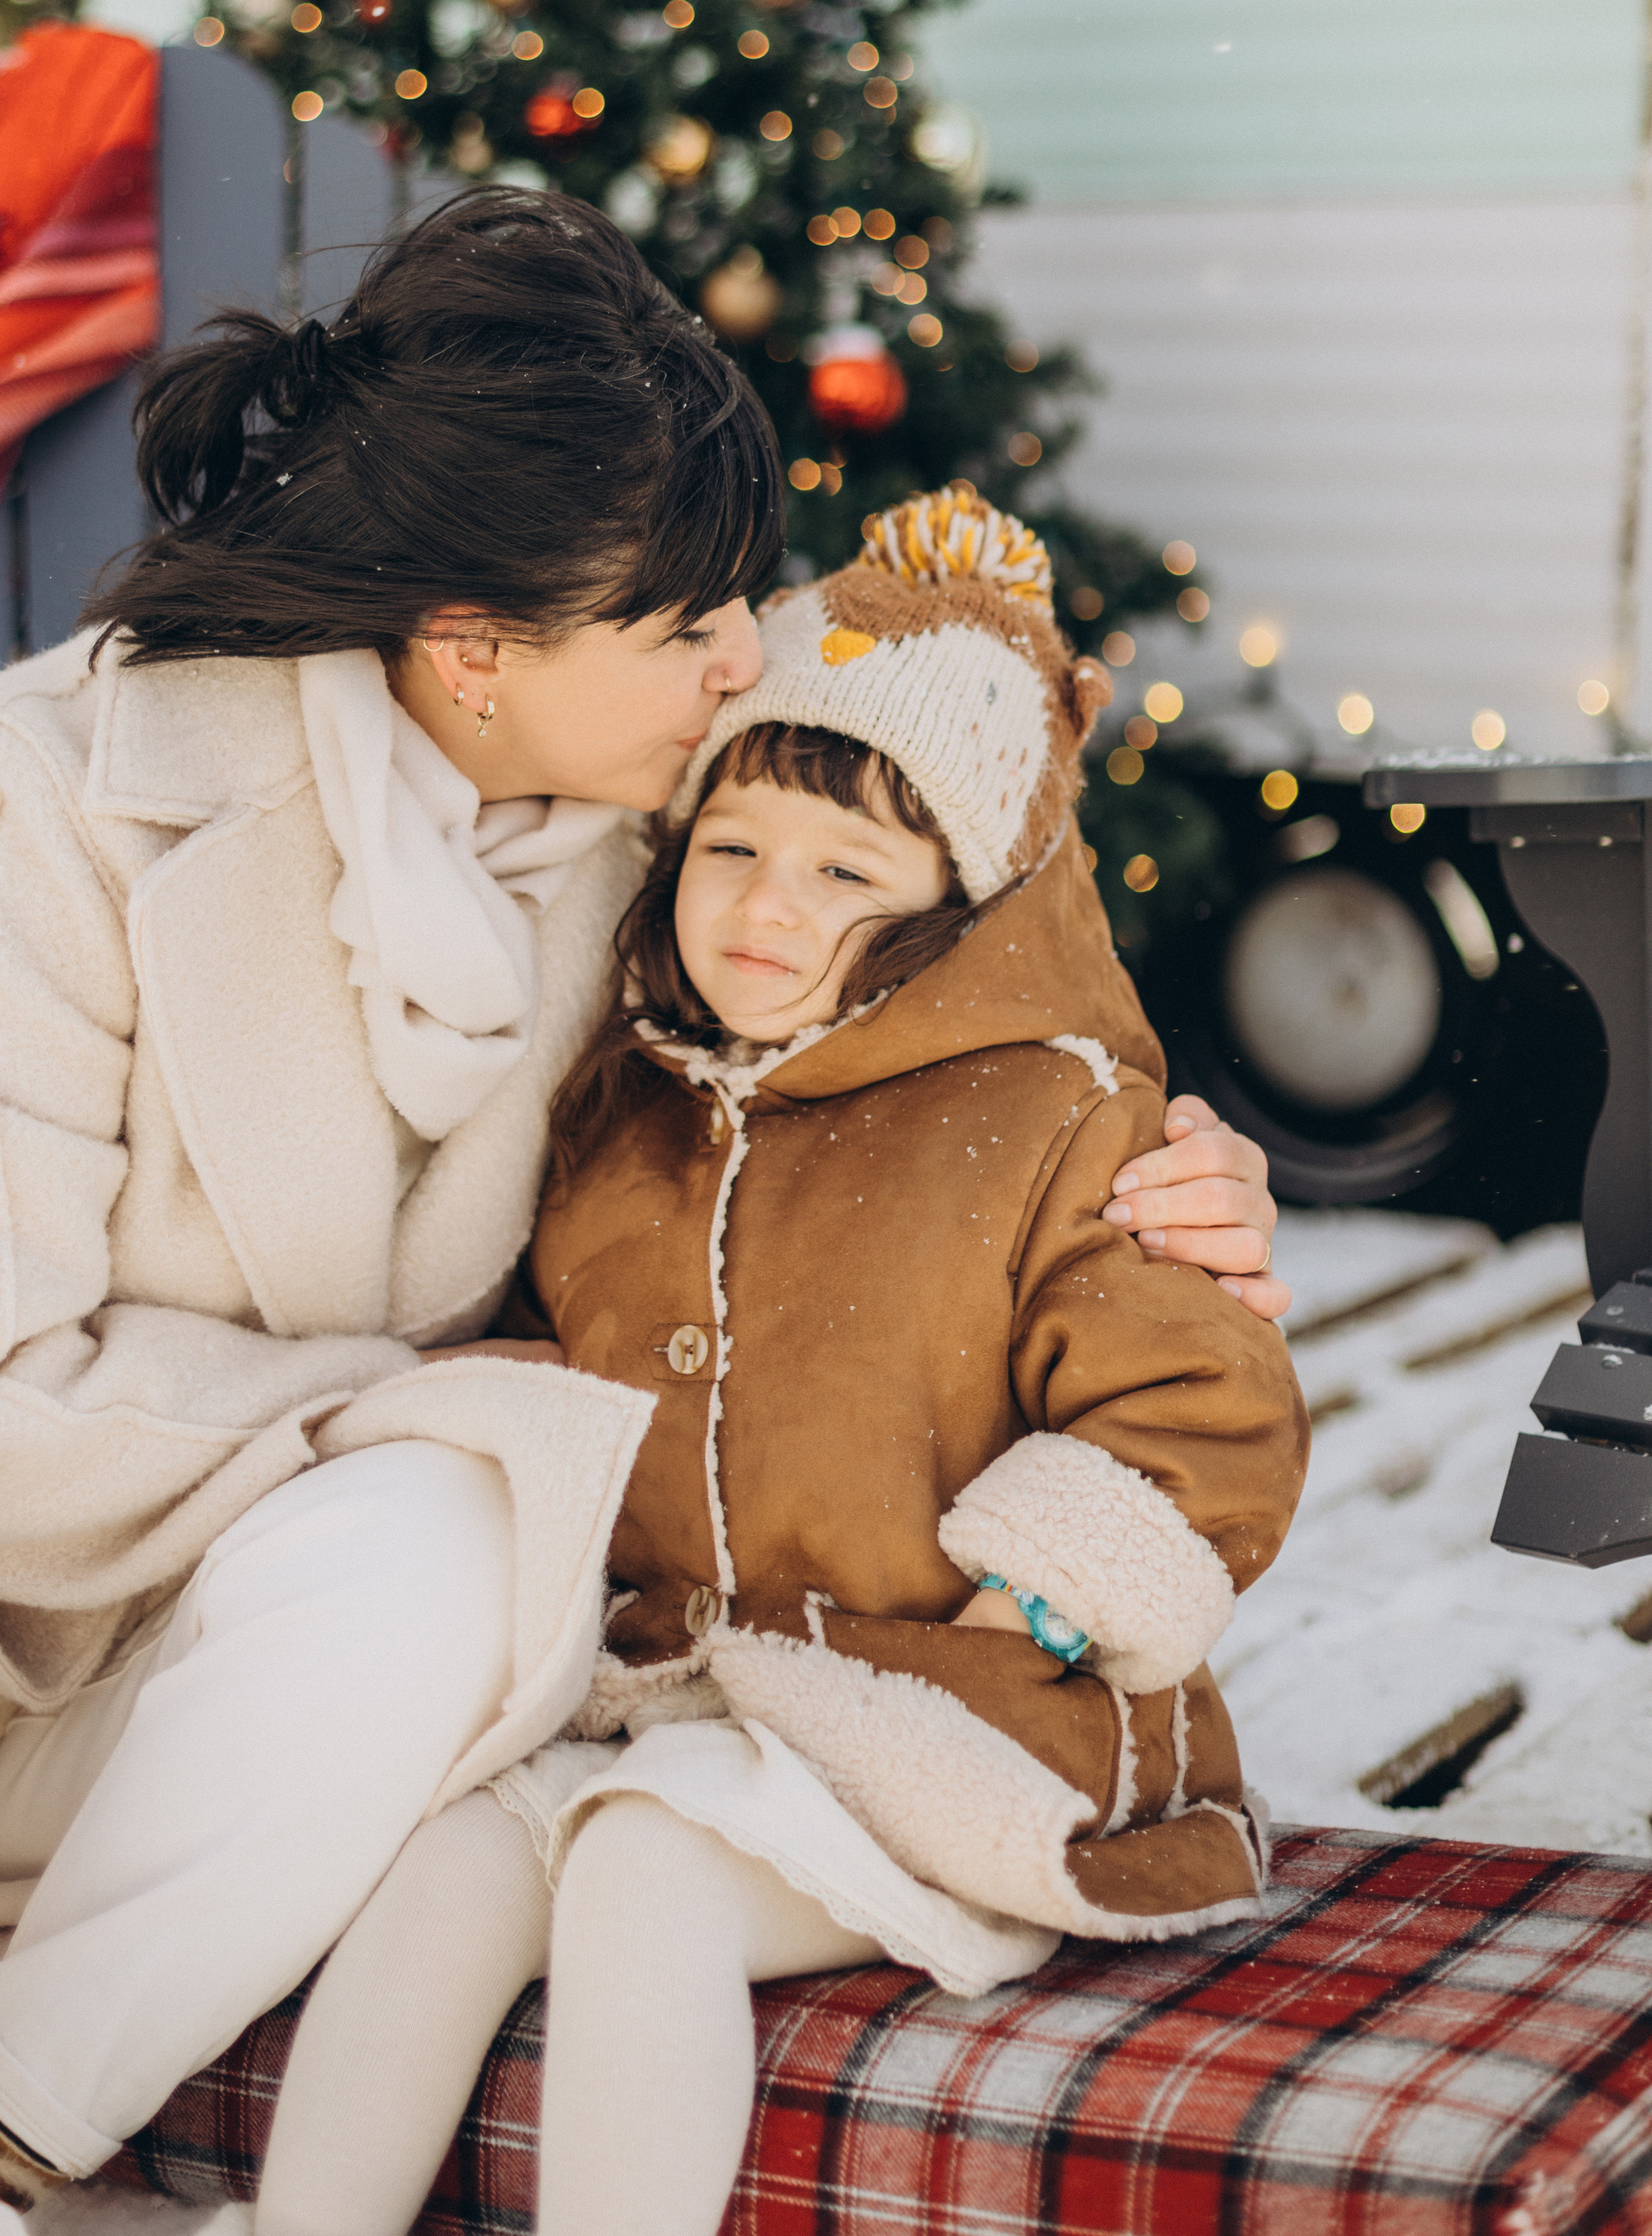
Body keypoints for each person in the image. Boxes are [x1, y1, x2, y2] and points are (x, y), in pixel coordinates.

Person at [0, 196, 1279, 2232]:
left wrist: (1158, 1147)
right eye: (693, 621)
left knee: (467, 1518)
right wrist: (385, 1409)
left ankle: (26, 2104)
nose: (752, 652)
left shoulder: (658, 828)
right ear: (469, 655)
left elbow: (952, 927)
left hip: (216, 1680)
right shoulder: (65, 789)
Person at [254, 483, 1308, 2236]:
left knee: (645, 1874)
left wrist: (1030, 1612)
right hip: (686, 1692)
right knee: (454, 1863)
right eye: (732, 845)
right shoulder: (627, 1109)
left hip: (963, 1719)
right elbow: (547, 1356)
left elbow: (1199, 1413)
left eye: (844, 873)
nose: (762, 907)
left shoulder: (1056, 1117)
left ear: (948, 906)